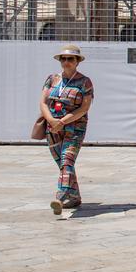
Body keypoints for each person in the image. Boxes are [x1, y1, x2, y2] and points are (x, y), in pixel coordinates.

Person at [41, 44, 94, 215]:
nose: (66, 62)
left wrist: (63, 121)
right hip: (53, 128)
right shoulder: (52, 79)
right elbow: (43, 102)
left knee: (67, 161)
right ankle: (75, 196)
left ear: (77, 61)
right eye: (63, 59)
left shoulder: (85, 82)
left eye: (70, 59)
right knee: (62, 164)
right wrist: (51, 120)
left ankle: (60, 196)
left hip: (74, 127)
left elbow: (84, 108)